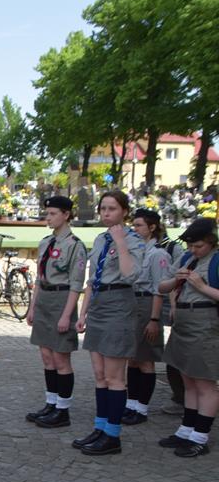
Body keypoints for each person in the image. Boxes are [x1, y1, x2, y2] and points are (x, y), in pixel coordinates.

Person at [73, 190, 146, 456]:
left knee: (115, 377)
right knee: (100, 375)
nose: (106, 213)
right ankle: (100, 427)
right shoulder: (100, 238)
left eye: (112, 208)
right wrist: (83, 313)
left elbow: (131, 274)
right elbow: (92, 280)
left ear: (124, 211)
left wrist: (122, 242)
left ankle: (113, 435)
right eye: (103, 208)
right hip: (99, 305)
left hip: (119, 304)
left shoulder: (133, 239)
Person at [158, 218, 219, 457]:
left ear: (211, 242)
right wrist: (177, 280)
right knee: (188, 380)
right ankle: (186, 430)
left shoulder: (215, 260)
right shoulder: (186, 258)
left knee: (205, 383)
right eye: (191, 246)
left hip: (206, 323)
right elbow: (162, 287)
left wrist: (202, 287)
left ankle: (200, 437)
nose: (194, 250)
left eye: (199, 246)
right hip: (183, 322)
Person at [25, 196, 87, 428]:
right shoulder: (45, 243)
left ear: (66, 215)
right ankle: (51, 403)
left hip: (62, 300)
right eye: (47, 214)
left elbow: (76, 283)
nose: (48, 218)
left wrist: (66, 315)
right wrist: (32, 308)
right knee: (47, 357)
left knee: (61, 358)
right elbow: (39, 279)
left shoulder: (75, 245)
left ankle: (63, 409)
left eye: (52, 214)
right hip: (44, 301)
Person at [122, 209, 172, 425]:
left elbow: (159, 289)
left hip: (147, 304)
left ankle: (141, 408)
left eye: (139, 225)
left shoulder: (157, 254)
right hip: (133, 304)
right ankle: (130, 404)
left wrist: (154, 320)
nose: (135, 229)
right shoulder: (136, 251)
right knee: (132, 359)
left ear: (152, 228)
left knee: (146, 360)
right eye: (133, 225)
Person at [155, 228, 186, 415]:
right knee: (173, 357)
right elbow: (169, 283)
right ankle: (180, 397)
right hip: (179, 311)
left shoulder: (174, 249)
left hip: (199, 316)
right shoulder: (188, 257)